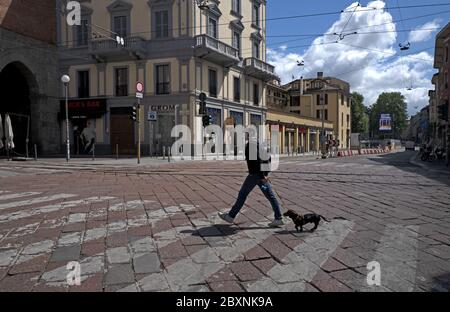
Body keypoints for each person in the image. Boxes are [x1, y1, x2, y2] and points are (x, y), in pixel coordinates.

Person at [218, 135, 284, 227]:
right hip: (260, 175)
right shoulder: (259, 145)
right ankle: (278, 218)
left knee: (242, 194)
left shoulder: (251, 145)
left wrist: (261, 176)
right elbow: (268, 158)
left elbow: (257, 161)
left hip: (255, 175)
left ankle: (230, 216)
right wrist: (265, 174)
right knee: (270, 196)